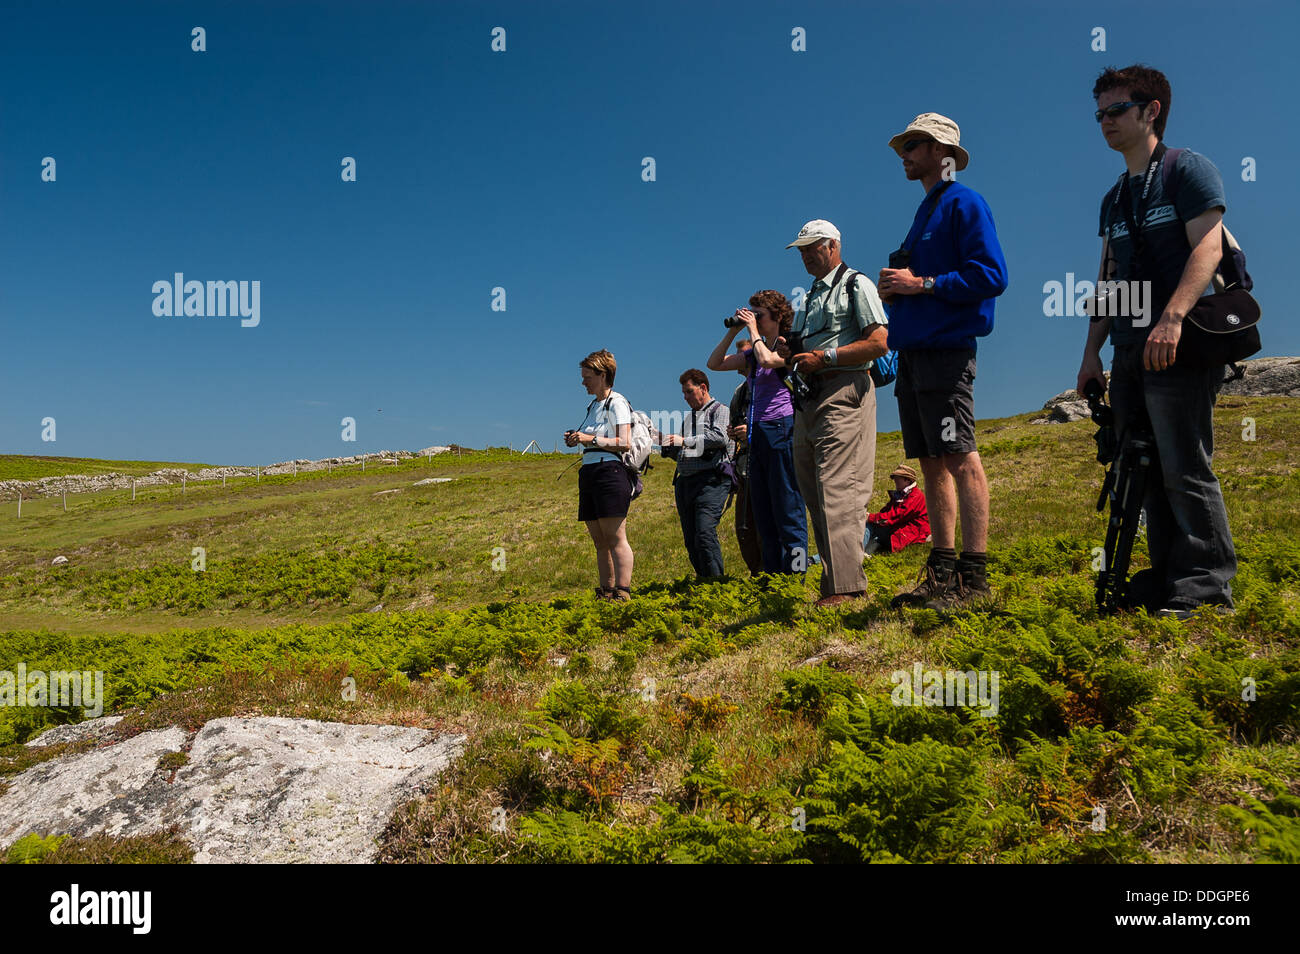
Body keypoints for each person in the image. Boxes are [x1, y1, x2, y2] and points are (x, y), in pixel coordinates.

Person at [1076, 65, 1236, 620]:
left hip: (1183, 343)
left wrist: (1170, 320)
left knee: (1184, 465)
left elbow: (1208, 250)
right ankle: (1170, 578)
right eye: (1099, 114)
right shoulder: (1114, 197)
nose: (1105, 123)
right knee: (1140, 469)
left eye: (1115, 111)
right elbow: (1108, 277)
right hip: (1127, 349)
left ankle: (1207, 587)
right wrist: (1091, 352)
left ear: (1151, 112)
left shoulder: (1187, 170)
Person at [879, 113, 1008, 611]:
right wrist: (898, 290)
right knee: (931, 463)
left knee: (959, 457)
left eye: (913, 145)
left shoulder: (965, 202)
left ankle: (974, 582)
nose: (904, 154)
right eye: (903, 147)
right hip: (914, 353)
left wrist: (921, 285)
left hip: (947, 352)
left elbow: (992, 274)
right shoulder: (926, 210)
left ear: (942, 151)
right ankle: (943, 571)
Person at [778, 221, 889, 608]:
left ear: (833, 245)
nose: (806, 256)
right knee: (813, 486)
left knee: (837, 486)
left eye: (812, 248)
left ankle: (847, 587)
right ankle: (835, 582)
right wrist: (793, 350)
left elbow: (878, 342)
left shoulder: (858, 284)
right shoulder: (811, 296)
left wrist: (824, 356)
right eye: (802, 250)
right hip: (811, 397)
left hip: (844, 389)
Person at [708, 291, 808, 576]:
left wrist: (752, 330)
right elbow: (714, 363)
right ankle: (772, 575)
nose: (755, 319)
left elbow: (767, 361)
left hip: (783, 428)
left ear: (777, 315)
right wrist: (732, 333)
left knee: (788, 506)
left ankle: (796, 574)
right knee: (763, 511)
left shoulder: (789, 345)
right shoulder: (753, 351)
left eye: (759, 314)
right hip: (758, 434)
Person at [563, 349, 634, 602]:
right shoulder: (593, 405)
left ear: (603, 375)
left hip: (609, 471)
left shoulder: (617, 402)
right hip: (591, 471)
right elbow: (593, 439)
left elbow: (624, 442)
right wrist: (577, 439)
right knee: (599, 540)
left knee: (615, 537)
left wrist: (589, 438)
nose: (583, 382)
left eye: (587, 377)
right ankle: (606, 590)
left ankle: (623, 591)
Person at [660, 369, 733, 579]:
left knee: (704, 533)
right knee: (691, 538)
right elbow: (689, 450)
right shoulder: (690, 418)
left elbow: (719, 438)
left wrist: (683, 441)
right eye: (683, 393)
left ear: (703, 388)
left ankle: (716, 584)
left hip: (711, 481)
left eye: (689, 392)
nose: (686, 397)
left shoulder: (720, 410)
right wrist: (669, 447)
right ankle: (704, 580)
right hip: (686, 483)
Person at [727, 340, 764, 576]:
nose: (739, 358)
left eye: (743, 353)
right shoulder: (739, 392)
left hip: (764, 463)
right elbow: (734, 420)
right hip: (743, 468)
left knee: (763, 523)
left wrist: (751, 431)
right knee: (744, 525)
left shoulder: (770, 383)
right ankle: (756, 572)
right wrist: (734, 432)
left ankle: (771, 573)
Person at [865, 465, 930, 557]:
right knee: (873, 527)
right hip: (900, 528)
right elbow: (886, 511)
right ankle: (865, 552)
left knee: (871, 527)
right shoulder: (903, 494)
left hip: (909, 533)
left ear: (907, 480)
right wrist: (873, 518)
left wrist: (870, 517)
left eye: (897, 478)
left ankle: (858, 552)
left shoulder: (915, 496)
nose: (895, 480)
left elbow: (896, 516)